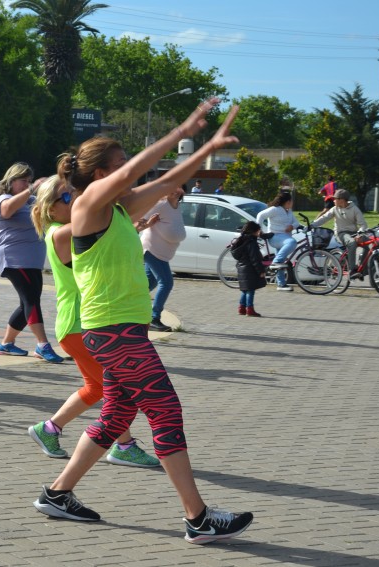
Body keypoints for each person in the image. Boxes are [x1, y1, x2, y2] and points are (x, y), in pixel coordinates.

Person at [33, 99, 254, 545]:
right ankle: (198, 518)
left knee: (117, 413)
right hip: (112, 331)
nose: (130, 172)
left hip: (120, 329)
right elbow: (139, 169)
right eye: (118, 165)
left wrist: (204, 146)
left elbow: (168, 179)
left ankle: (57, 494)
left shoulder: (117, 209)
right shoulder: (88, 205)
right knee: (166, 410)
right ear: (100, 175)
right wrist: (182, 130)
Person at [27, 175, 159, 468]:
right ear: (50, 209)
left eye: (73, 193)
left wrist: (131, 225)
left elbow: (106, 232)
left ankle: (48, 429)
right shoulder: (59, 234)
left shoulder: (70, 230)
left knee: (98, 388)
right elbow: (103, 220)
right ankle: (123, 446)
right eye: (66, 197)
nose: (74, 199)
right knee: (118, 390)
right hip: (80, 323)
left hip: (81, 323)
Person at [0, 163, 63, 363]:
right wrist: (32, 189)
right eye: (23, 181)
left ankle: (6, 344)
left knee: (27, 303)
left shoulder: (31, 201)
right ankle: (42, 345)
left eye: (29, 181)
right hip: (15, 259)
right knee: (31, 300)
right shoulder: (3, 200)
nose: (27, 184)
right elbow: (6, 211)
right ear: (11, 181)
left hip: (31, 261)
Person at [139, 187, 186, 332]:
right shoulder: (161, 205)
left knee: (148, 284)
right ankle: (154, 318)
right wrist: (148, 224)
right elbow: (141, 222)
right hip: (152, 250)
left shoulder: (176, 207)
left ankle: (126, 308)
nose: (175, 190)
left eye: (178, 187)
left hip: (162, 253)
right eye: (172, 187)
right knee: (166, 282)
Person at [312, 188, 368, 279]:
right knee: (352, 243)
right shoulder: (334, 209)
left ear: (341, 200)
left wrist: (360, 234)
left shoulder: (354, 209)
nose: (333, 200)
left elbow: (363, 224)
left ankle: (362, 268)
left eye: (335, 199)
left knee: (369, 242)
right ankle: (352, 270)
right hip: (341, 233)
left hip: (354, 233)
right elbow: (324, 218)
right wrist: (312, 225)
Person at [255, 192, 300, 292]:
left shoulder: (289, 211)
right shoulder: (275, 209)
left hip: (283, 239)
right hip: (275, 237)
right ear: (288, 201)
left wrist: (292, 226)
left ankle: (281, 284)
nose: (292, 202)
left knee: (281, 260)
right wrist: (259, 229)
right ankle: (275, 263)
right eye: (292, 200)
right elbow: (260, 215)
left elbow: (296, 222)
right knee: (292, 243)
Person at [230, 221, 266, 317]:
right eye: (258, 231)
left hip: (242, 268)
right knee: (251, 290)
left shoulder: (241, 240)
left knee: (245, 290)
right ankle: (249, 309)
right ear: (254, 231)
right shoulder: (251, 242)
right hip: (250, 269)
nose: (259, 233)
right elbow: (255, 259)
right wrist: (261, 271)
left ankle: (241, 308)